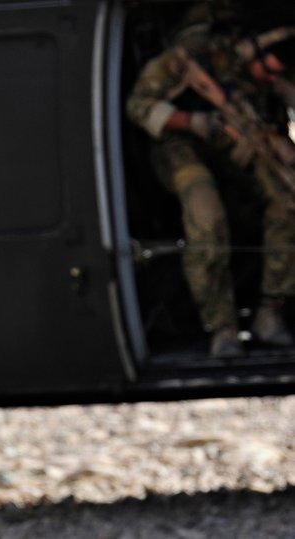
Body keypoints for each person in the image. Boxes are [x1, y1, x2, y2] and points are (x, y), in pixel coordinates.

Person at [126, 16, 295, 357]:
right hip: (178, 144)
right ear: (255, 51)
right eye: (271, 71)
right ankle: (222, 327)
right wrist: (194, 122)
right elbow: (138, 107)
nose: (273, 79)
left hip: (234, 140)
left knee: (287, 203)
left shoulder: (265, 77)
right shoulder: (191, 56)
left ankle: (270, 311)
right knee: (206, 213)